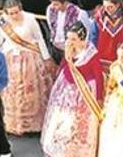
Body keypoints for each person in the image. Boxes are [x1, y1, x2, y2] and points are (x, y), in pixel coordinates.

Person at [40, 22, 104, 156]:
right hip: (67, 89)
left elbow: (99, 77)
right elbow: (64, 65)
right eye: (68, 38)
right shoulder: (69, 50)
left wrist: (98, 97)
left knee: (79, 122)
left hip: (84, 91)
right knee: (63, 119)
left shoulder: (91, 54)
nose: (70, 42)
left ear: (82, 38)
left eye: (73, 39)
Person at [0, 0, 54, 135]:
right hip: (10, 59)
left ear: (21, 9)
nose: (14, 16)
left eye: (16, 12)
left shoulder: (30, 19)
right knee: (12, 92)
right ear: (6, 13)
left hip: (30, 58)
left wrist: (46, 58)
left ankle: (33, 124)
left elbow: (39, 38)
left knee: (31, 91)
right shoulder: (1, 22)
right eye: (11, 13)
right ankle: (15, 123)